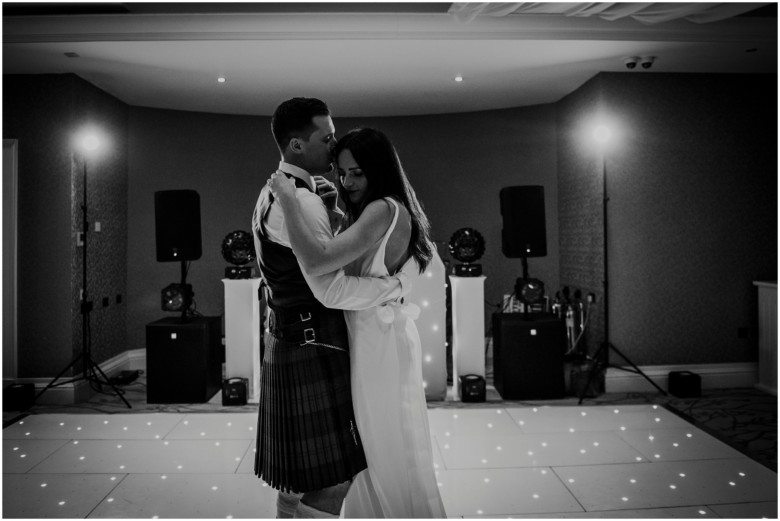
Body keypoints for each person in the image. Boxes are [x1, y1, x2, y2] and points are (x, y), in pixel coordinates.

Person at [268, 127, 446, 518]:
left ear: (379, 170)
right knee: (376, 453)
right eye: (342, 172)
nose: (346, 182)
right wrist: (394, 287)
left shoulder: (382, 209)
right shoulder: (388, 208)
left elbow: (323, 274)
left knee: (383, 452)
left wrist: (290, 203)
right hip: (377, 337)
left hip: (377, 346)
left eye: (357, 173)